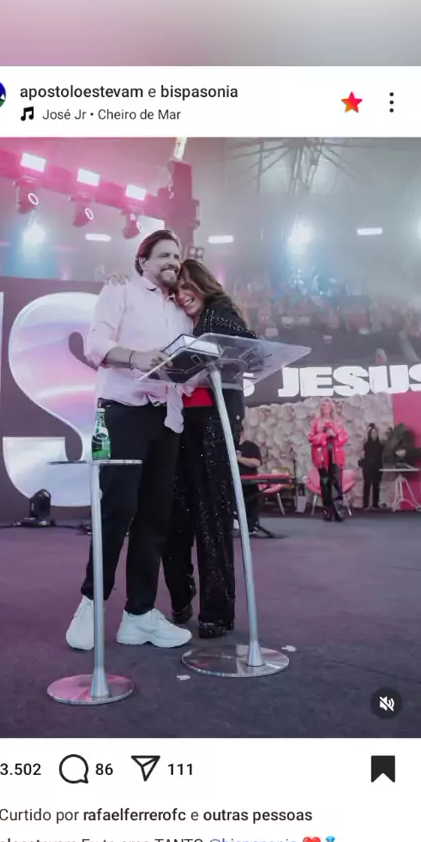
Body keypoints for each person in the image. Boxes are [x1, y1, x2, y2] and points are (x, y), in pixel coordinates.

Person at [66, 230, 194, 652]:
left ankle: (139, 615)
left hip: (168, 418)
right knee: (116, 510)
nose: (172, 261)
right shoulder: (119, 289)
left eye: (177, 255)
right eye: (164, 255)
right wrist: (137, 358)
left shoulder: (183, 310)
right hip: (121, 411)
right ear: (142, 261)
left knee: (155, 519)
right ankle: (90, 605)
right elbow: (95, 345)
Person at [162, 260, 257, 638]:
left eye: (188, 287)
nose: (183, 296)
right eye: (177, 291)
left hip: (213, 419)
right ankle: (182, 597)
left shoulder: (218, 313)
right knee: (175, 517)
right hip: (179, 421)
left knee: (211, 516)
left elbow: (248, 346)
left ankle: (216, 611)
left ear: (203, 284)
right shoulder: (182, 319)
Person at [308, 398, 348, 521]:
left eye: (328, 405)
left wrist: (334, 434)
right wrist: (325, 435)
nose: (326, 408)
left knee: (336, 482)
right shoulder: (315, 423)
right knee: (325, 483)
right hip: (321, 456)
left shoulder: (337, 422)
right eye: (323, 405)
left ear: (332, 408)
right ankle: (327, 510)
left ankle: (338, 511)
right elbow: (311, 438)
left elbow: (344, 437)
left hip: (335, 455)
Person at [236, 427, 263, 534]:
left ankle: (251, 525)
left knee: (252, 497)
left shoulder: (251, 446)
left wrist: (238, 459)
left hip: (248, 482)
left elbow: (256, 463)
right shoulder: (226, 446)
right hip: (230, 482)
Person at [360, 424, 384, 509]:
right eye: (372, 433)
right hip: (367, 466)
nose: (374, 434)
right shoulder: (366, 444)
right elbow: (362, 453)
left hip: (377, 466)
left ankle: (375, 504)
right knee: (367, 485)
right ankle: (365, 504)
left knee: (376, 485)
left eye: (375, 433)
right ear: (369, 434)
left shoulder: (380, 445)